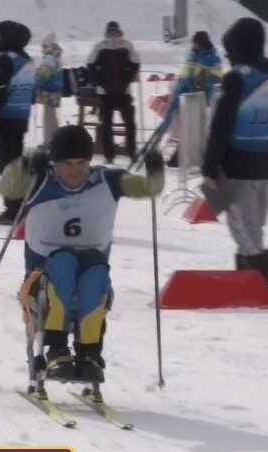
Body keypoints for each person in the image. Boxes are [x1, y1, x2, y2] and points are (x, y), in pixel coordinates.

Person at [17, 126, 164, 394]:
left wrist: (156, 171)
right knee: (62, 262)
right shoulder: (40, 181)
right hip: (42, 281)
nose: (75, 171)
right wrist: (26, 164)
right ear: (54, 163)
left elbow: (150, 188)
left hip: (89, 275)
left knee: (96, 272)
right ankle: (56, 349)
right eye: (67, 164)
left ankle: (89, 352)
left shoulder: (107, 181)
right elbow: (7, 187)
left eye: (82, 163)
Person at [200, 17, 268, 285]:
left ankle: (255, 287)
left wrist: (209, 168)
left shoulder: (235, 79)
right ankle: (257, 283)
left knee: (243, 230)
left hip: (238, 166)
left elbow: (220, 128)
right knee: (255, 229)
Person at [0, 20, 35, 225]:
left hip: (4, 118)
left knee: (6, 166)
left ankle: (13, 209)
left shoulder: (5, 59)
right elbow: (32, 93)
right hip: (21, 117)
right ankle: (19, 205)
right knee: (16, 163)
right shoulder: (28, 60)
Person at [161, 30, 223, 167]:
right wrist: (180, 89)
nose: (193, 45)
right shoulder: (191, 56)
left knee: (195, 131)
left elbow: (216, 81)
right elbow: (184, 77)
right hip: (186, 98)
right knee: (187, 129)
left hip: (200, 100)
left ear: (201, 43)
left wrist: (199, 82)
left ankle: (189, 158)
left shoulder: (213, 60)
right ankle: (180, 158)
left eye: (195, 43)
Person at [87, 21, 140, 163]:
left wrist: (127, 80)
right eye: (111, 32)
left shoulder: (127, 45)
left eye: (115, 32)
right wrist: (100, 82)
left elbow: (136, 64)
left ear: (119, 32)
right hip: (105, 92)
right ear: (107, 33)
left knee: (130, 122)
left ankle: (132, 151)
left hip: (124, 91)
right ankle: (109, 155)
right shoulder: (100, 46)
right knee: (106, 124)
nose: (113, 35)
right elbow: (90, 65)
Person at [36, 32, 64, 147]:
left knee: (48, 117)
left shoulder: (48, 58)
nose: (42, 49)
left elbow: (44, 75)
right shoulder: (56, 58)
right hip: (55, 91)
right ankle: (56, 138)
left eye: (43, 46)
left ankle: (49, 140)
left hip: (47, 91)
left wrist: (36, 73)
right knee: (52, 116)